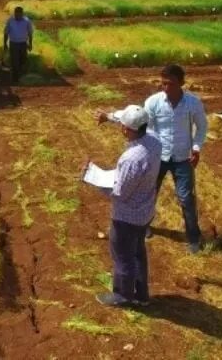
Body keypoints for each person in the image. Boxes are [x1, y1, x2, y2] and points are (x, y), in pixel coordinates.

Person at [97, 64, 208, 254]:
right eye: (163, 83)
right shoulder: (154, 102)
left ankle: (193, 237)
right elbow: (134, 117)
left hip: (183, 158)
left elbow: (202, 127)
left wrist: (196, 148)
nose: (166, 88)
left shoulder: (193, 103)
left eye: (170, 84)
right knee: (149, 193)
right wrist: (108, 116)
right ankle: (144, 226)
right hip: (157, 156)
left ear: (181, 83)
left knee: (186, 198)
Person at [88, 105, 162, 307]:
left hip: (127, 216)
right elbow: (124, 117)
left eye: (122, 126)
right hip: (145, 212)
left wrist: (92, 179)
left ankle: (122, 296)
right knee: (137, 252)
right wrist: (109, 117)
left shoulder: (131, 159)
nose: (120, 128)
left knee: (122, 256)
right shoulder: (154, 140)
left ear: (127, 130)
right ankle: (141, 294)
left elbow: (120, 194)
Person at [3, 6, 34, 83]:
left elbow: (30, 33)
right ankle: (15, 78)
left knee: (23, 59)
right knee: (15, 61)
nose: (17, 16)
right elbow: (6, 33)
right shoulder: (10, 21)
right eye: (16, 14)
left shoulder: (27, 21)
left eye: (19, 14)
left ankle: (19, 73)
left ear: (22, 14)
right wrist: (5, 44)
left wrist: (30, 44)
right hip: (13, 44)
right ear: (14, 13)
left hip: (23, 44)